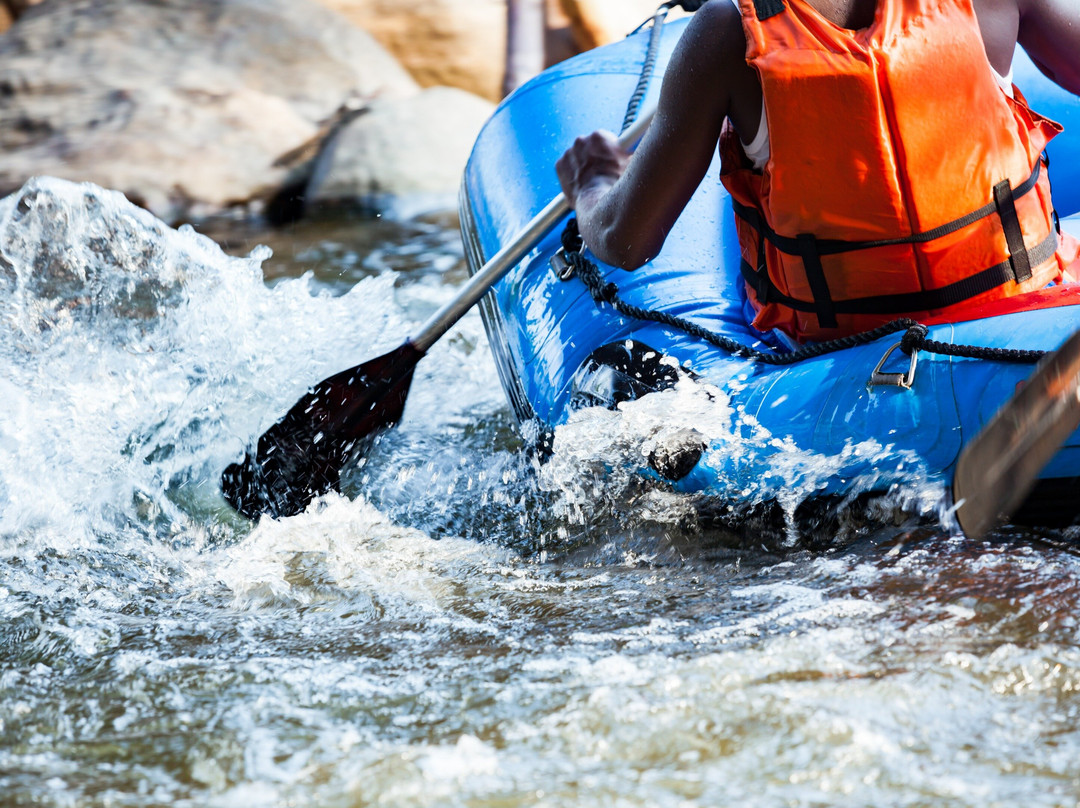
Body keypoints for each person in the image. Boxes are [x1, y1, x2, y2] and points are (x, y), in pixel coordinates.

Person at [555, 0, 1080, 342]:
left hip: (837, 353)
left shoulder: (723, 34)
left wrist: (593, 182)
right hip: (1027, 314)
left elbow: (626, 241)